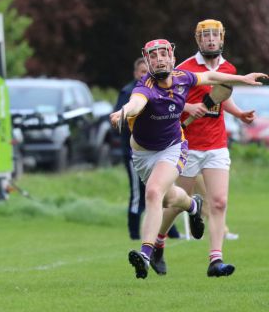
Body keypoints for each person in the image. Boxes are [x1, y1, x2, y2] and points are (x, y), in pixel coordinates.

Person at [110, 38, 266, 279]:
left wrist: (242, 79)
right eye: (153, 56)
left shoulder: (184, 77)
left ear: (173, 58)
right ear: (148, 61)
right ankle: (193, 206)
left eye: (163, 54)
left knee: (153, 192)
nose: (159, 58)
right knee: (168, 198)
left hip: (173, 148)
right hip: (142, 154)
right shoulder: (145, 87)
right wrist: (122, 112)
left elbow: (212, 78)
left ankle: (145, 253)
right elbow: (135, 104)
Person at [150, 20, 254, 277]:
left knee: (218, 201)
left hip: (217, 145)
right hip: (187, 145)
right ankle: (159, 241)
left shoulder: (228, 68)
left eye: (214, 36)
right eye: (205, 36)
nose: (210, 40)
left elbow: (221, 96)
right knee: (177, 203)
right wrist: (188, 109)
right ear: (198, 40)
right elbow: (169, 100)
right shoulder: (184, 68)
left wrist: (239, 114)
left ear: (222, 39)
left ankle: (215, 260)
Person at [115, 58, 180, 240]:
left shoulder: (161, 90)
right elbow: (124, 116)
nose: (145, 74)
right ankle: (134, 234)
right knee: (139, 194)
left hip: (160, 151)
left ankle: (170, 232)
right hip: (135, 153)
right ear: (136, 74)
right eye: (141, 72)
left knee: (162, 191)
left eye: (147, 71)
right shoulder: (129, 92)